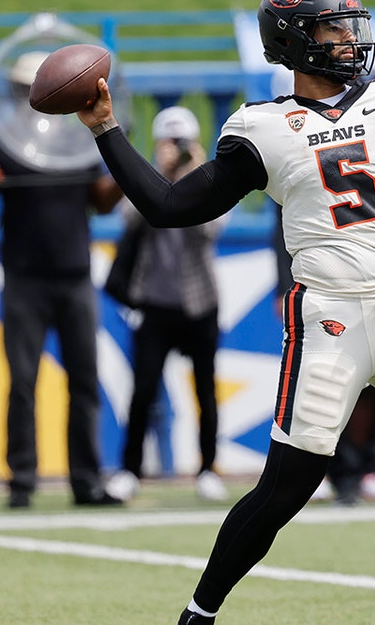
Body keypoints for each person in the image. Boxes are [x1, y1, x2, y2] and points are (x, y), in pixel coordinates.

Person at [77, 0, 375, 625]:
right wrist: (107, 129)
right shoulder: (264, 126)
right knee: (286, 488)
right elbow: (171, 205)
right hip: (332, 319)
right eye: (332, 25)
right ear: (294, 41)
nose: (349, 37)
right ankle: (198, 614)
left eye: (348, 23)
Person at [0, 51, 125, 509]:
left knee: (85, 382)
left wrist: (121, 157)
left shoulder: (75, 142)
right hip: (24, 278)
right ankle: (22, 479)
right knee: (22, 383)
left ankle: (86, 480)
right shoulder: (2, 140)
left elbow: (102, 201)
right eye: (20, 90)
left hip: (74, 277)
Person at [106, 106, 229, 503]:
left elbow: (211, 229)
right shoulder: (149, 179)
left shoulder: (207, 180)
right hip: (155, 302)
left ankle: (208, 467)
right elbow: (130, 217)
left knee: (205, 390)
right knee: (142, 390)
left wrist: (190, 177)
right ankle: (130, 470)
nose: (175, 150)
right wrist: (161, 178)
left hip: (199, 303)